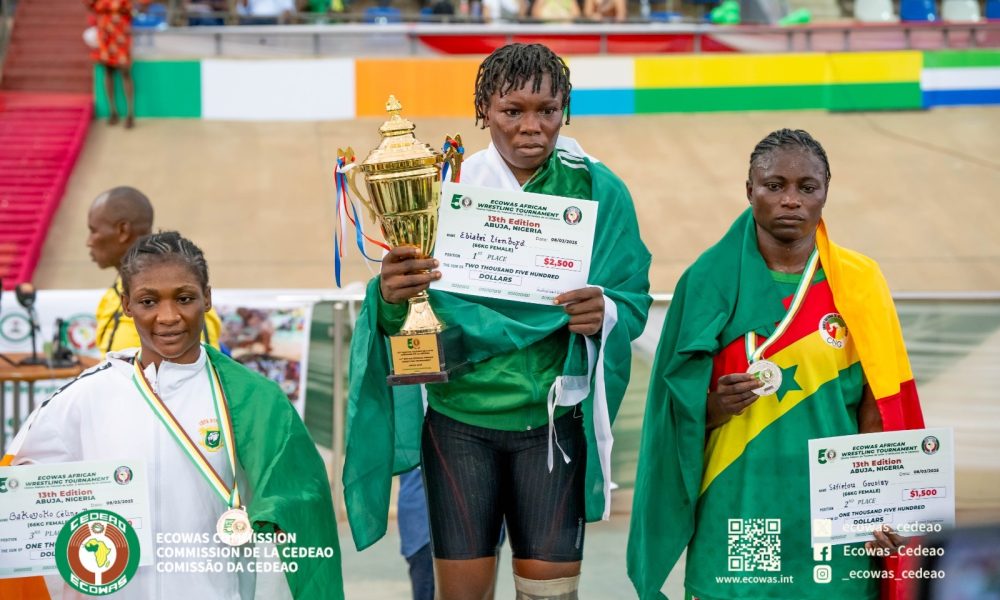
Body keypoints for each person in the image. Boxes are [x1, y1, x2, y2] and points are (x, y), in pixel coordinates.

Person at [343, 43, 652, 600]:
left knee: (551, 598)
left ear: (566, 110)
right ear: (484, 111)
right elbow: (406, 318)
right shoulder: (443, 189)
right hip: (458, 422)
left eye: (547, 110)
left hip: (552, 423)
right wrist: (392, 294)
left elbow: (630, 299)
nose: (531, 127)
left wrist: (601, 311)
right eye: (513, 111)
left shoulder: (599, 191)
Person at [627, 129, 925, 600]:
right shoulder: (705, 282)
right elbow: (673, 416)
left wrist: (882, 504)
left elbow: (880, 406)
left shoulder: (862, 282)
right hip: (739, 506)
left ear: (827, 191)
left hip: (836, 517)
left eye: (807, 187)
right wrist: (717, 406)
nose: (791, 200)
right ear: (749, 190)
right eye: (774, 186)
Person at [7, 232, 343, 599]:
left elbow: (302, 502)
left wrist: (270, 517)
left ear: (207, 298)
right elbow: (19, 492)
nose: (168, 317)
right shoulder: (85, 397)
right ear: (127, 305)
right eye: (148, 301)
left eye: (184, 299)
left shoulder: (251, 397)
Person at [87, 186, 222, 356]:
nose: (89, 242)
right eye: (148, 302)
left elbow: (203, 373)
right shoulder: (112, 296)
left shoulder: (193, 308)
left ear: (123, 231)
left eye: (93, 231)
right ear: (127, 304)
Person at [86, 0, 136, 128]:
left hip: (120, 33)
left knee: (125, 71)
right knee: (108, 71)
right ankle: (112, 111)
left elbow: (133, 9)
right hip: (105, 34)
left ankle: (130, 113)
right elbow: (89, 6)